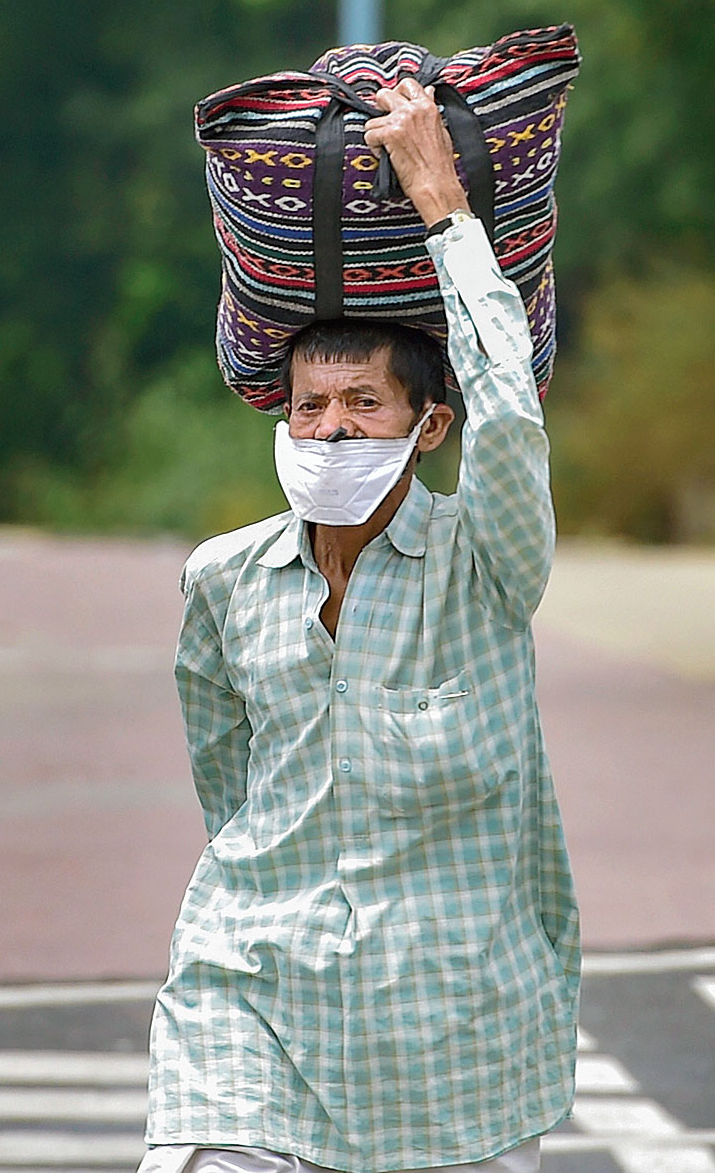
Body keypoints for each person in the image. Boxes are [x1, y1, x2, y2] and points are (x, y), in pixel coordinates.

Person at [137, 78, 580, 1173]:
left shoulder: (485, 569)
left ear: (427, 427)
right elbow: (229, 784)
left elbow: (512, 419)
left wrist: (442, 207)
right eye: (307, 409)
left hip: (449, 1039)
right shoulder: (223, 580)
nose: (329, 430)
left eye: (362, 406)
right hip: (252, 993)